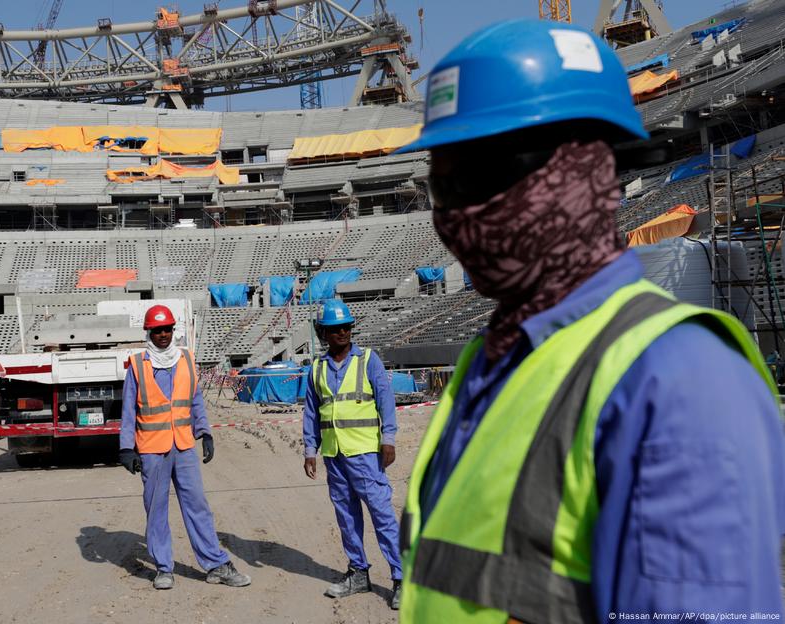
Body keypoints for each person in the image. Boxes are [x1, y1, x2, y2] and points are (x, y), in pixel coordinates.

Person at [397, 19, 785, 623]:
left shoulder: (679, 381)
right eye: (441, 188)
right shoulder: (493, 358)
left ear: (581, 173)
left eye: (476, 178)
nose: (456, 216)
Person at [119, 304, 251, 591]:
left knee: (197, 506)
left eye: (167, 329)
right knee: (156, 509)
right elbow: (128, 411)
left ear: (173, 331)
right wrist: (126, 449)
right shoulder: (138, 365)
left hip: (184, 446)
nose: (163, 335)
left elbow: (196, 402)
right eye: (157, 330)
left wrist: (205, 432)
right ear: (149, 333)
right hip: (152, 450)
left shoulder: (186, 360)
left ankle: (216, 564)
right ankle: (164, 568)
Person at [302, 299, 402, 610]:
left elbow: (386, 401)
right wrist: (310, 449)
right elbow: (311, 412)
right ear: (324, 333)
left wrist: (389, 439)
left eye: (346, 327)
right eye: (335, 329)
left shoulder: (368, 360)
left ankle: (401, 577)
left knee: (382, 516)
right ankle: (358, 572)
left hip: (366, 454)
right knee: (347, 518)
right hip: (334, 455)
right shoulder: (316, 369)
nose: (343, 332)